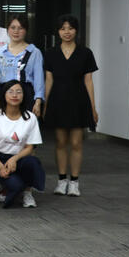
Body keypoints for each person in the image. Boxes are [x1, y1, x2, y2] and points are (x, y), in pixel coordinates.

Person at [44, 14, 98, 197]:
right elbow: (49, 80)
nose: (67, 32)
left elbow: (89, 81)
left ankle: (74, 182)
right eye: (63, 28)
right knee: (60, 142)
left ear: (76, 31)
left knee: (76, 143)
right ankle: (61, 181)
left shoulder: (85, 53)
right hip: (57, 100)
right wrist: (46, 103)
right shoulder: (51, 53)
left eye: (70, 28)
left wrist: (93, 107)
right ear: (58, 31)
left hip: (78, 101)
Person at [0, 81, 45, 208]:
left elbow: (30, 147)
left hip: (20, 158)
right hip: (0, 159)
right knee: (16, 186)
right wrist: (1, 167)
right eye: (11, 92)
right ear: (4, 95)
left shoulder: (30, 117)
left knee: (33, 162)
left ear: (24, 95)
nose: (15, 95)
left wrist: (14, 159)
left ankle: (27, 192)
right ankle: (7, 186)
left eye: (19, 92)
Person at [0, 15, 45, 116]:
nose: (16, 31)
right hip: (4, 96)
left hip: (26, 95)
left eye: (20, 28)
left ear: (26, 30)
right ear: (7, 29)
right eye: (13, 27)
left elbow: (38, 79)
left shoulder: (34, 52)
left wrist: (38, 101)